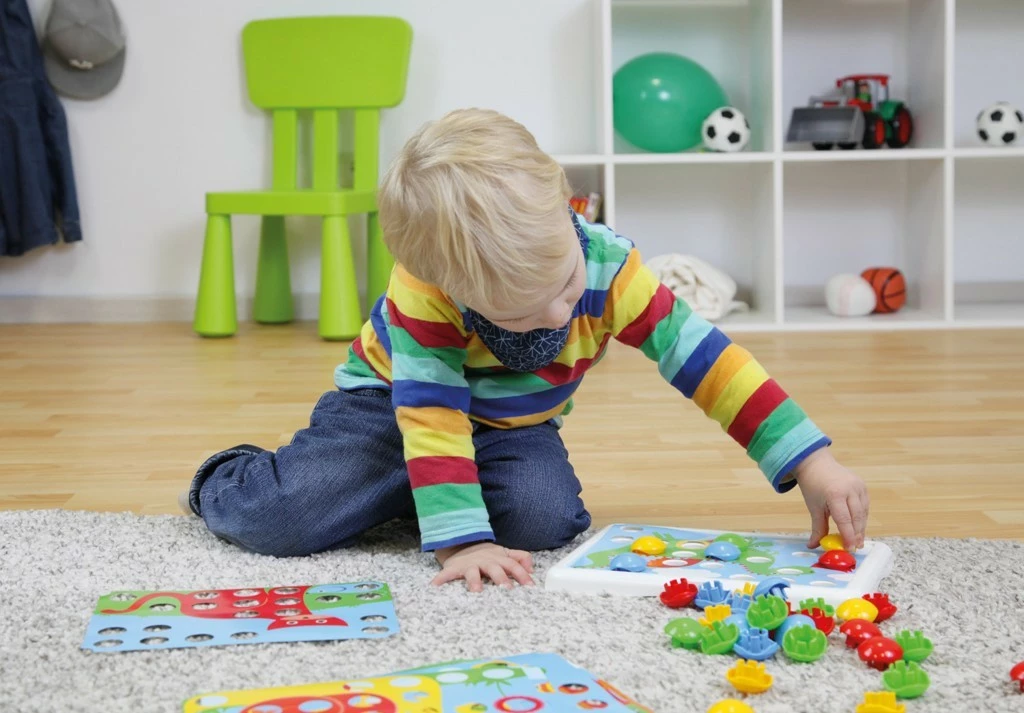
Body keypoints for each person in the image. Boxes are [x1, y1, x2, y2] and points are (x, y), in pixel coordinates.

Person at [184, 109, 870, 592]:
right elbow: (432, 415)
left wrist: (811, 459)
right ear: (450, 285)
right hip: (388, 407)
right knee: (284, 518)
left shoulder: (612, 270)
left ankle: (413, 494)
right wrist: (461, 540)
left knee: (542, 522)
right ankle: (232, 475)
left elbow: (713, 364)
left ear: (569, 207)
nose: (557, 313)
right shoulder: (426, 290)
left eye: (566, 284)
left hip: (513, 426)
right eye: (519, 311)